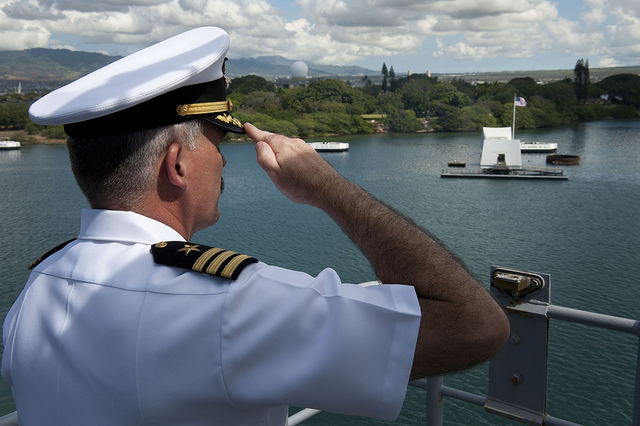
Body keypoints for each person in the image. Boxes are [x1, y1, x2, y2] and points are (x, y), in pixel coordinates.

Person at [2, 27, 509, 425]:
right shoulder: (231, 306)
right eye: (218, 144)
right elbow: (475, 326)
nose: (224, 161)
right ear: (177, 165)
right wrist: (330, 189)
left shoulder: (37, 288)